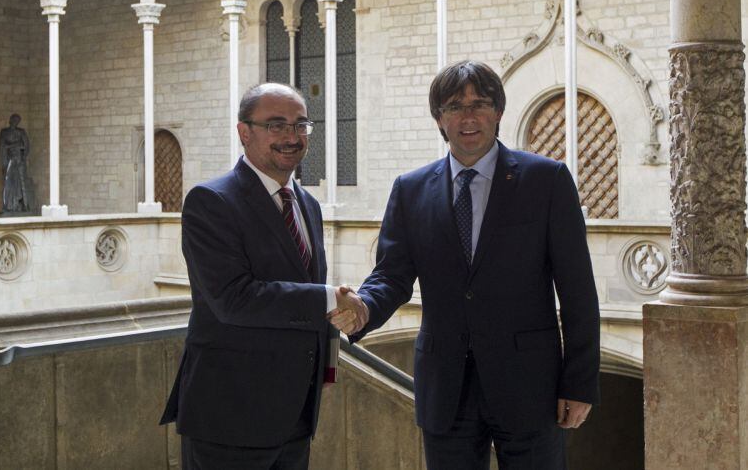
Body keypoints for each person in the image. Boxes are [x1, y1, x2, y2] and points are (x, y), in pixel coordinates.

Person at [336, 61, 600, 470]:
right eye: (455, 106)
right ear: (439, 119)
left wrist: (580, 382)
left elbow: (578, 288)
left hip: (529, 386)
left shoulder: (546, 181)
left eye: (481, 104)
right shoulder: (410, 190)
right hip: (446, 388)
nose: (469, 116)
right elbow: (392, 274)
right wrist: (365, 308)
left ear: (498, 112)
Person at [160, 83, 367, 470]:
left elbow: (305, 290)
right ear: (244, 132)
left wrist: (326, 361)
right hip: (230, 415)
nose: (292, 136)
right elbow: (233, 298)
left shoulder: (307, 204)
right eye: (276, 125)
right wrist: (329, 298)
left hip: (296, 416)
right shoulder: (211, 201)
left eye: (301, 124)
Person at [0, 113, 31, 213]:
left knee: (20, 183)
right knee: (9, 183)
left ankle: (21, 205)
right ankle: (8, 206)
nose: (15, 122)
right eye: (14, 120)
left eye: (17, 121)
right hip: (9, 160)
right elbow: (1, 146)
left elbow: (26, 146)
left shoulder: (21, 132)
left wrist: (22, 156)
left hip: (19, 160)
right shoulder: (4, 132)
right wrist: (11, 147)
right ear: (10, 120)